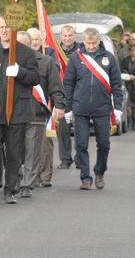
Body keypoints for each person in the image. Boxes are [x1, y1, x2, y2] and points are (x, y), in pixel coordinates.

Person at [0, 17, 40, 204]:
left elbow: (35, 78)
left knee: (13, 152)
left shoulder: (26, 53)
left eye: (8, 27)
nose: (4, 31)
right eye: (1, 27)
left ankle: (10, 189)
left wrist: (20, 72)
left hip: (18, 110)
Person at [64, 27, 123, 190]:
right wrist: (67, 107)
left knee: (104, 144)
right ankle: (85, 177)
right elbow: (68, 84)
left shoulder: (109, 58)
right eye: (88, 43)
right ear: (83, 41)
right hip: (80, 107)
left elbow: (117, 84)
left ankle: (100, 172)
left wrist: (117, 107)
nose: (90, 46)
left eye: (93, 43)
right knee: (81, 144)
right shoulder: (76, 58)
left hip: (102, 107)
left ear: (99, 41)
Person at [18, 29, 65, 197]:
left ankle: (28, 184)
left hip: (35, 112)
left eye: (25, 43)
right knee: (14, 150)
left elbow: (55, 87)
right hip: (13, 113)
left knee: (33, 150)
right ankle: (16, 179)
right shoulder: (8, 61)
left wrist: (59, 105)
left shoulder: (46, 62)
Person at [57, 25, 78, 169]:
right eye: (65, 36)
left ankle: (80, 158)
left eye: (70, 36)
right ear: (61, 37)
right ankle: (65, 159)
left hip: (78, 95)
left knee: (79, 129)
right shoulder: (54, 51)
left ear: (74, 36)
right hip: (62, 95)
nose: (67, 38)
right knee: (62, 129)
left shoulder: (81, 51)